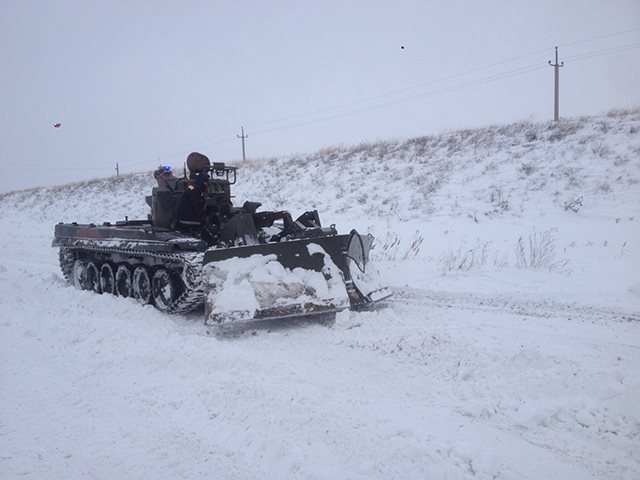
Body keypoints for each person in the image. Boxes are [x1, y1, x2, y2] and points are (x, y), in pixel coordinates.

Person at [175, 171, 218, 244]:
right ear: (201, 182)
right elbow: (198, 208)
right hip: (187, 219)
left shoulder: (195, 190)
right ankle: (212, 243)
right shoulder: (193, 192)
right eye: (205, 183)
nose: (206, 185)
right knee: (203, 226)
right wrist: (205, 218)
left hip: (187, 217)